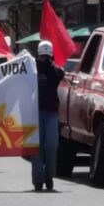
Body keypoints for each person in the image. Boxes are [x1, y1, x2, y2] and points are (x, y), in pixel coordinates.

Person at [33, 40, 64, 192]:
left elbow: (61, 74)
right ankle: (38, 179)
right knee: (37, 147)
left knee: (52, 144)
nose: (44, 58)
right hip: (35, 112)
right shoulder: (32, 69)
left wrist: (55, 65)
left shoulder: (55, 70)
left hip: (51, 112)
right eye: (42, 56)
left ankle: (49, 175)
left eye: (46, 56)